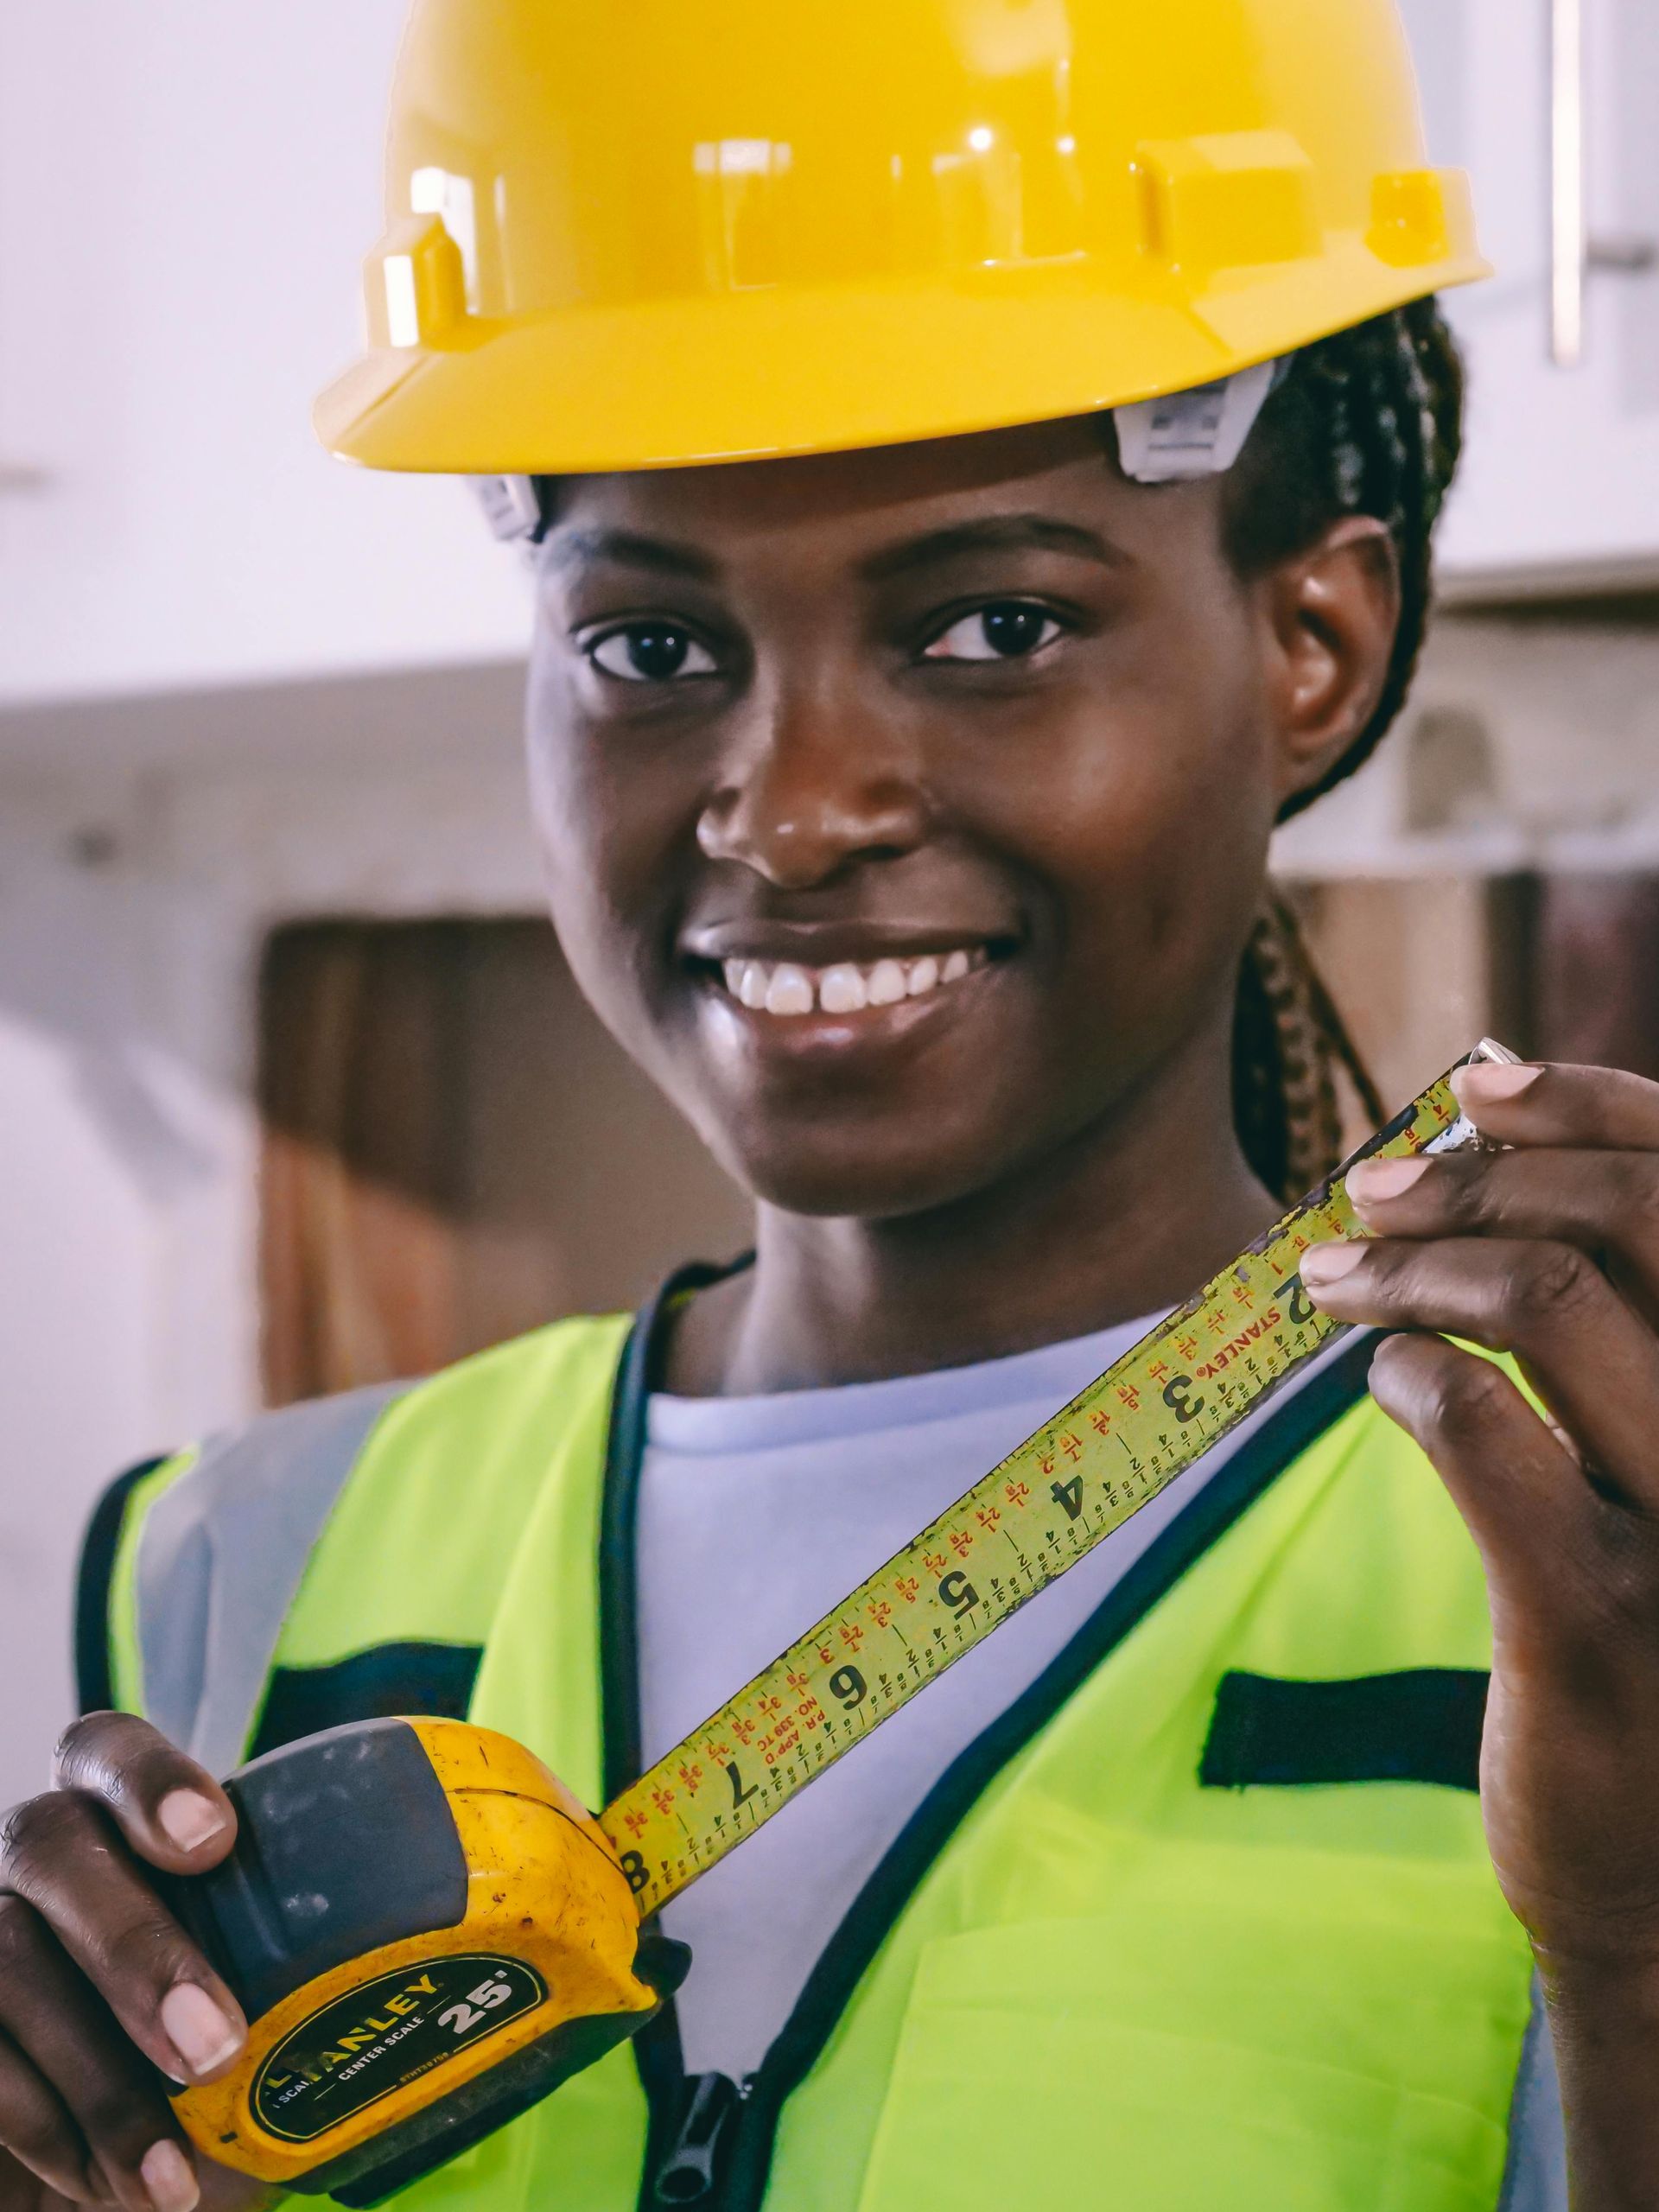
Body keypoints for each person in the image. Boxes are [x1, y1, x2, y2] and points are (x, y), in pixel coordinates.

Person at [7, 2, 1659, 2207]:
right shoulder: (241, 1563)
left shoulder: (1592, 1532)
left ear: (1314, 647)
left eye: (989, 623)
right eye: (651, 651)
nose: (788, 814)